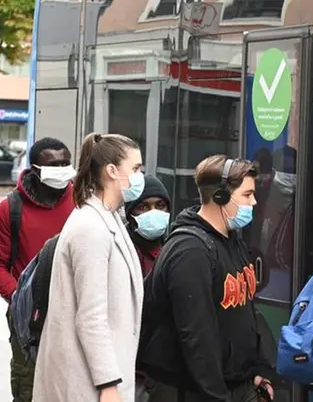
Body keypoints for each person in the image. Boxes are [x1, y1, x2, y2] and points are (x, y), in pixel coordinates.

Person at [138, 155, 275, 401]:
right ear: (220, 196)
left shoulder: (233, 241)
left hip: (236, 384)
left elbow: (245, 314)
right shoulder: (190, 251)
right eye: (246, 195)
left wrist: (257, 370)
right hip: (193, 392)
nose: (254, 202)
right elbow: (196, 336)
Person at [32, 133, 146, 402]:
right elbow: (90, 317)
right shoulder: (90, 228)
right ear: (112, 171)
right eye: (136, 169)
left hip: (98, 376)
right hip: (87, 383)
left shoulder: (108, 218)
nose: (140, 176)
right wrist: (108, 383)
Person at [0, 137, 75, 401]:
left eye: (66, 163)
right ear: (35, 170)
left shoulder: (82, 201)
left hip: (73, 313)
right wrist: (22, 298)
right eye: (55, 165)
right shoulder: (11, 208)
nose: (63, 170)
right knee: (29, 387)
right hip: (28, 318)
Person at [124, 174, 171, 277]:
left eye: (160, 206)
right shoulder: (122, 251)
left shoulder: (173, 249)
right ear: (130, 214)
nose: (153, 212)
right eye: (143, 207)